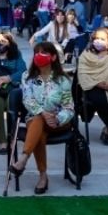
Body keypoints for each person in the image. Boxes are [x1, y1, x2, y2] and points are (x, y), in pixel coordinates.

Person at [8, 42, 74, 194]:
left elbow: (68, 107)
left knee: (38, 123)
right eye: (36, 53)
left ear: (53, 57)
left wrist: (57, 118)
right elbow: (28, 100)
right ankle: (42, 176)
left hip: (58, 122)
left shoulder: (63, 80)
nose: (39, 56)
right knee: (39, 125)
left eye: (43, 53)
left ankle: (23, 160)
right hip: (36, 119)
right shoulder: (27, 77)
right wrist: (44, 113)